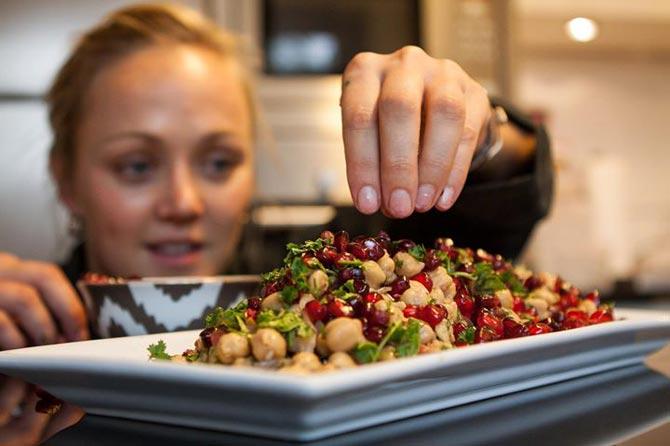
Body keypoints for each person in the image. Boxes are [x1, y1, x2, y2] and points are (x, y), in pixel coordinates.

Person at [0, 4, 551, 350]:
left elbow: (480, 225)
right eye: (137, 166)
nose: (184, 203)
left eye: (219, 163)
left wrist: (480, 141)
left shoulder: (313, 283)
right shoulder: (23, 333)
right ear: (65, 179)